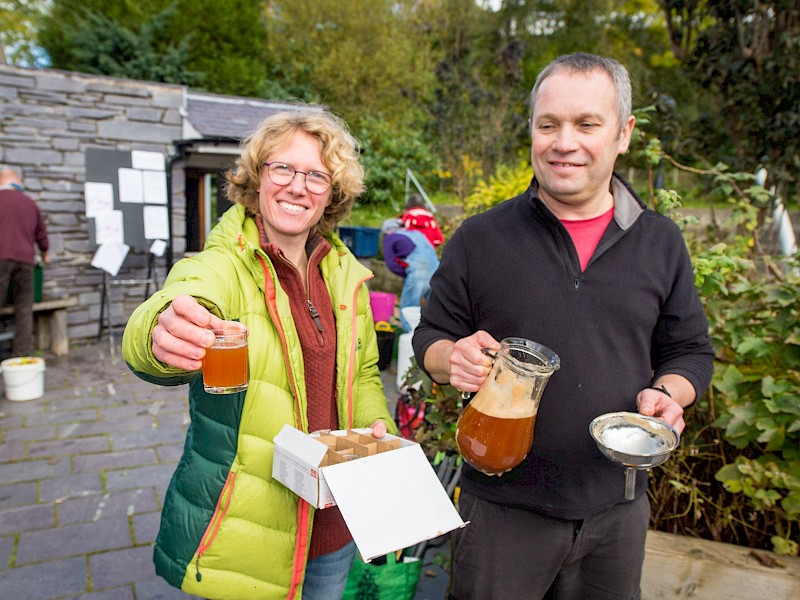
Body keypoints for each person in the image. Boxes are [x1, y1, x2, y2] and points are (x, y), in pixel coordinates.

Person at [412, 53, 714, 599]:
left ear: (624, 134)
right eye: (547, 124)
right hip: (502, 510)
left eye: (587, 124)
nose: (563, 142)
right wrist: (449, 356)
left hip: (616, 511)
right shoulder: (482, 239)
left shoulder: (660, 242)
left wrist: (670, 394)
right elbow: (430, 336)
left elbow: (690, 350)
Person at [121, 110, 397, 600]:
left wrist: (377, 429)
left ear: (332, 192)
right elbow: (176, 305)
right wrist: (162, 333)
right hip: (249, 525)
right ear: (257, 177)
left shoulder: (345, 275)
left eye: (316, 175)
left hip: (334, 521)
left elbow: (366, 375)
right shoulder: (220, 264)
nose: (298, 186)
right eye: (283, 169)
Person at [0, 168, 49, 357]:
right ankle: (20, 356)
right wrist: (44, 252)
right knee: (24, 309)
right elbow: (41, 234)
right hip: (25, 261)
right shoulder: (29, 203)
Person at [381, 217, 439, 332]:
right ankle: (434, 335)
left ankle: (409, 338)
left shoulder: (390, 237)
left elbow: (391, 263)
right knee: (434, 310)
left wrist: (407, 274)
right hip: (437, 271)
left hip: (418, 274)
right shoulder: (417, 234)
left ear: (387, 231)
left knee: (408, 310)